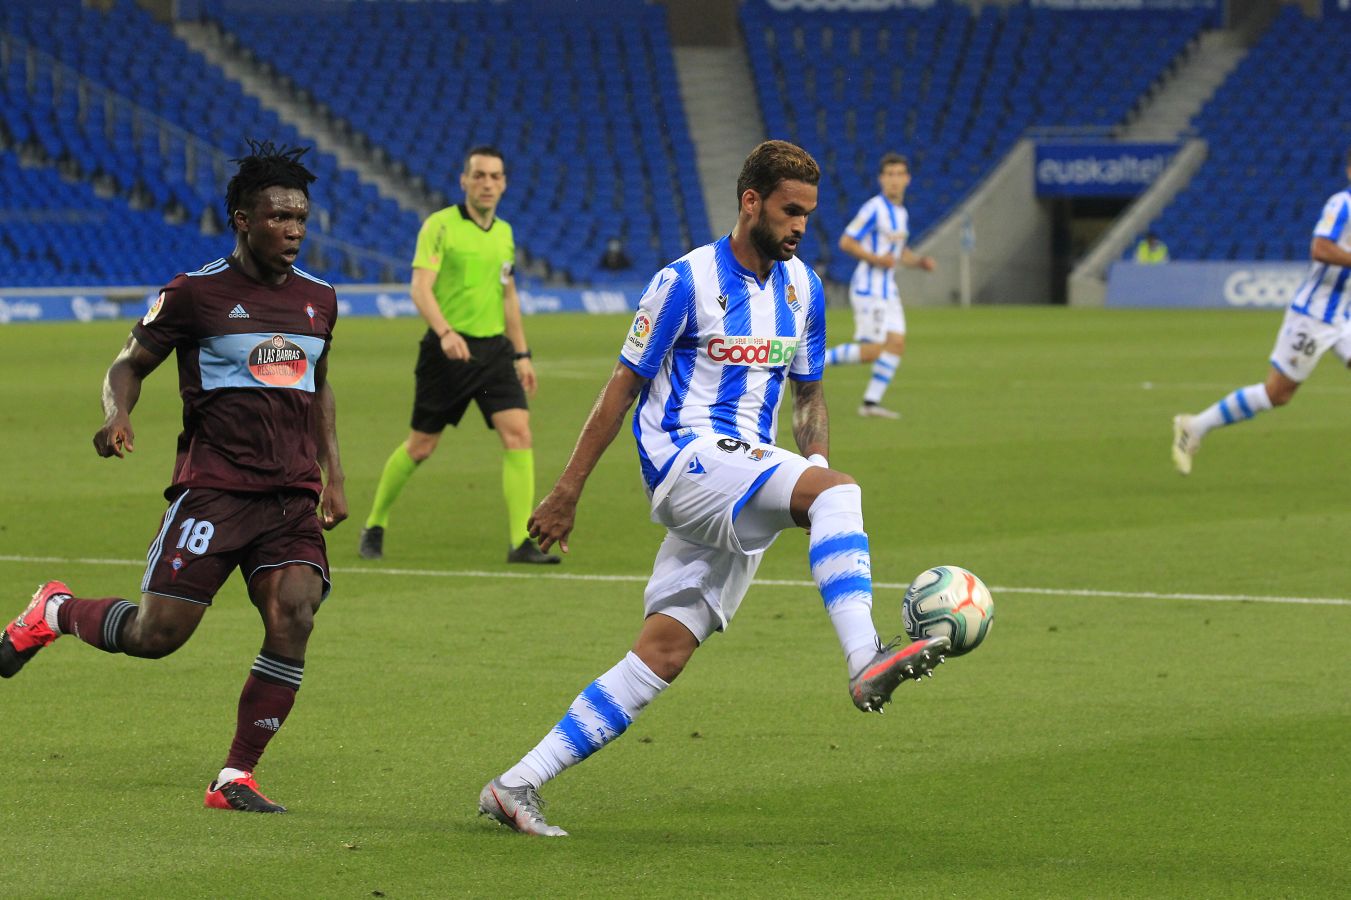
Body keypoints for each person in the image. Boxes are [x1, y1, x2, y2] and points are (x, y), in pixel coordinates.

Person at [475, 140, 950, 837]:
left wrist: (811, 466)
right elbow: (620, 390)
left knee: (664, 651)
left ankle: (514, 784)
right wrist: (566, 489)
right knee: (841, 493)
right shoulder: (684, 282)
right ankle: (863, 659)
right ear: (750, 201)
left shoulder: (804, 289)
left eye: (809, 217)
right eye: (789, 212)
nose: (798, 227)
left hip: (742, 469)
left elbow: (810, 397)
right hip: (683, 461)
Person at [0, 141, 347, 813]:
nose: (294, 230)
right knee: (156, 637)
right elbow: (127, 364)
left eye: (301, 217)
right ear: (242, 219)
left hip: (289, 496)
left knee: (295, 611)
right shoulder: (195, 294)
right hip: (214, 490)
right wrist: (117, 414)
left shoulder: (320, 299)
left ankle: (235, 776)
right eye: (278, 217)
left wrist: (333, 475)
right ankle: (54, 611)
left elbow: (319, 388)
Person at [358, 146, 557, 564]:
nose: (487, 184)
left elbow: (508, 296)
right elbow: (420, 288)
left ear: (504, 184)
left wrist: (522, 353)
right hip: (447, 352)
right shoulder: (440, 227)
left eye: (495, 177)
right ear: (463, 180)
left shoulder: (504, 232)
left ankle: (521, 542)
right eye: (479, 176)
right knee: (421, 447)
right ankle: (375, 523)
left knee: (519, 433)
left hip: (494, 352)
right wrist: (444, 331)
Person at [1173, 149, 1351, 475]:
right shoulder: (1342, 204)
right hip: (1313, 317)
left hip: (1345, 316)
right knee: (1278, 393)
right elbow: (1320, 248)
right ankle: (1195, 425)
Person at [823, 152, 936, 419]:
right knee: (873, 350)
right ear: (881, 179)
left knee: (896, 344)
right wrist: (876, 258)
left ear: (907, 179)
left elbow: (899, 252)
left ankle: (870, 404)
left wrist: (920, 262)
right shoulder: (874, 208)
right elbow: (846, 241)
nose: (894, 180)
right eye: (889, 175)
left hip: (889, 289)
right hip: (869, 288)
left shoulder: (901, 213)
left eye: (899, 175)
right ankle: (811, 361)